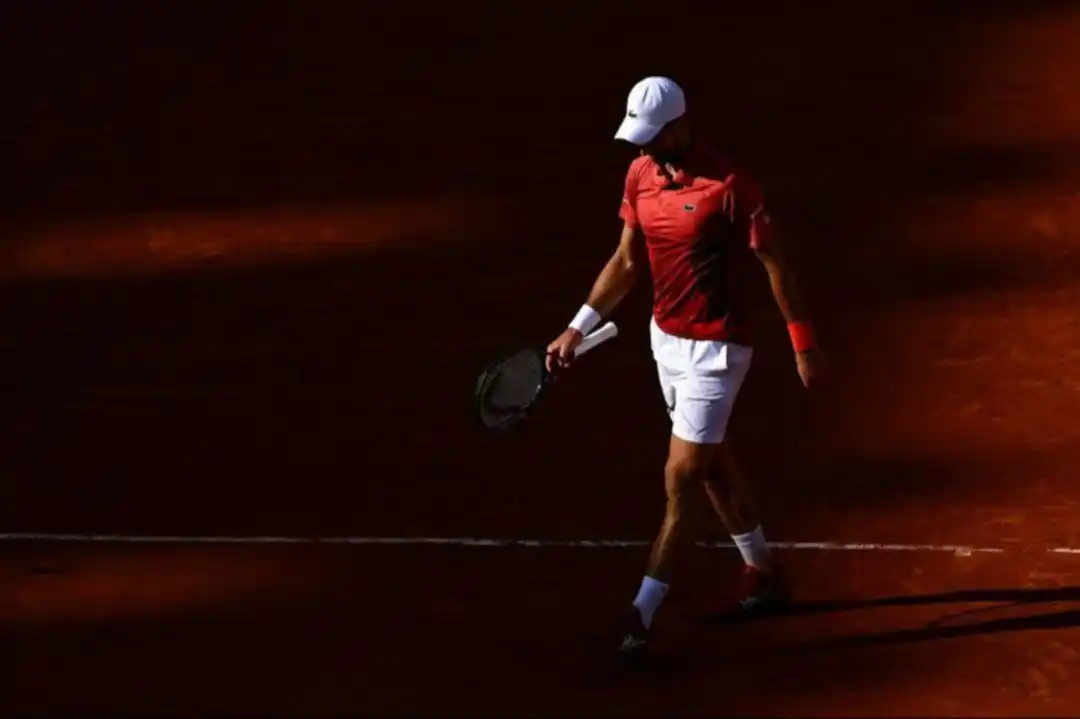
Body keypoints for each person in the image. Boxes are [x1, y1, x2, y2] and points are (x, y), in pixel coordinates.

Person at [545, 76, 825, 659]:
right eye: (639, 139)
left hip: (718, 352)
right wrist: (578, 326)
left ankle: (639, 613)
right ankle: (764, 575)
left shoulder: (731, 187)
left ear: (681, 126)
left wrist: (802, 345)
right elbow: (627, 261)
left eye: (653, 137)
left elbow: (775, 264)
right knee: (713, 466)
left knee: (682, 478)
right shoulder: (640, 176)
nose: (644, 149)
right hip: (665, 345)